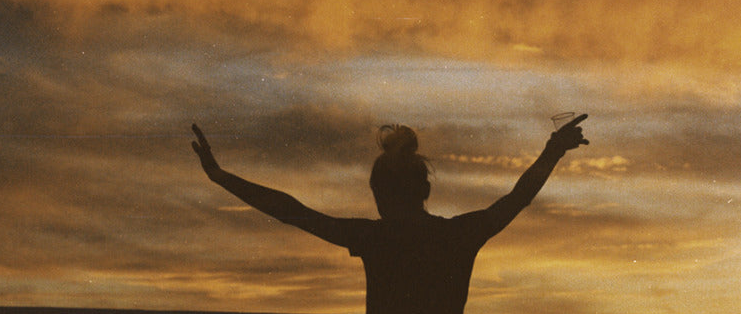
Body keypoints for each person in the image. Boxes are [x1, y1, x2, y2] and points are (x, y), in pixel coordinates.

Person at [191, 114, 589, 314]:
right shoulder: (458, 236)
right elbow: (518, 197)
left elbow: (291, 212)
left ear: (379, 195)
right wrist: (553, 150)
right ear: (425, 191)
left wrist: (221, 177)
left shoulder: (375, 238)